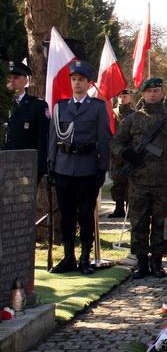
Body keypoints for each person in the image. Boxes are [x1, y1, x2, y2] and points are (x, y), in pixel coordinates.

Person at [111, 77, 167, 278]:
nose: (152, 94)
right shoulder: (133, 119)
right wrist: (127, 153)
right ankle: (141, 262)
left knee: (161, 223)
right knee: (138, 223)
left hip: (164, 182)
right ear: (143, 94)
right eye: (149, 91)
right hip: (138, 182)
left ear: (162, 93)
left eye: (156, 91)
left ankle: (157, 263)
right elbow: (116, 143)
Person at [47, 61, 110, 275]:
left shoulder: (97, 107)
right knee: (66, 216)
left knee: (85, 215)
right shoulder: (60, 107)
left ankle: (85, 258)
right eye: (74, 79)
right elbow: (53, 138)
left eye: (81, 80)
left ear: (88, 83)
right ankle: (68, 258)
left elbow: (104, 139)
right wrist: (51, 166)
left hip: (87, 168)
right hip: (63, 168)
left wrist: (102, 168)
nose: (77, 83)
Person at [4, 60, 49, 181]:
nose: (12, 81)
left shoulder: (37, 106)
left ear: (25, 81)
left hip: (25, 166)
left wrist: (40, 168)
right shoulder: (3, 104)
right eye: (9, 78)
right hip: (3, 164)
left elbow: (43, 138)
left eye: (16, 77)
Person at [108, 89, 135, 218]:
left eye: (125, 96)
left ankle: (130, 208)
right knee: (117, 182)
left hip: (129, 153)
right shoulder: (112, 113)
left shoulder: (135, 115)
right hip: (116, 155)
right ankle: (119, 208)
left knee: (130, 182)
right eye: (120, 96)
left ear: (130, 97)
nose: (122, 98)